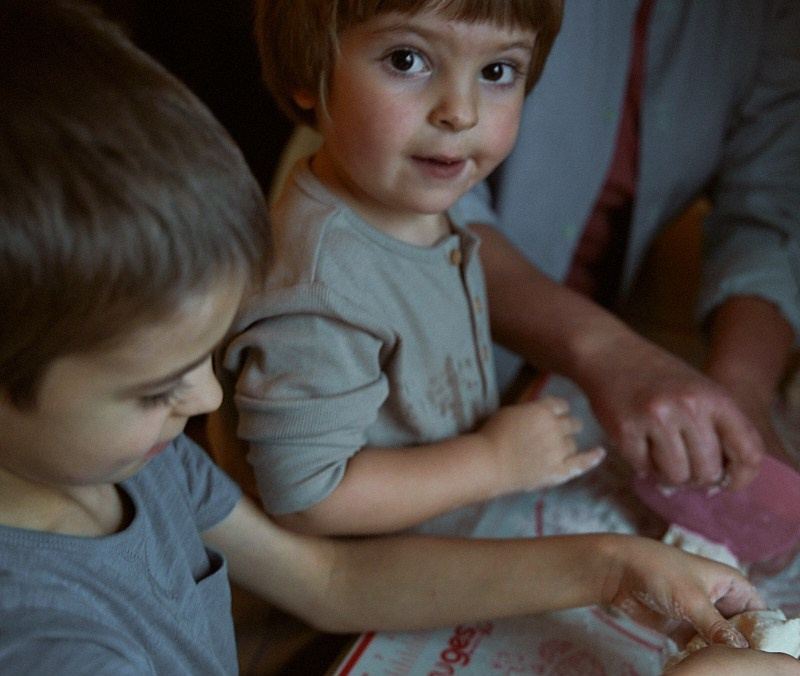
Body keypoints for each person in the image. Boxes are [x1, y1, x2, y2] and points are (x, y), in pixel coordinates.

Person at [0, 2, 800, 676]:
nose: (209, 397)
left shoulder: (137, 468)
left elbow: (327, 582)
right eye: (153, 387)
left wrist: (611, 568)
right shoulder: (43, 660)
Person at [211, 0, 606, 537]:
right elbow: (307, 497)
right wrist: (492, 461)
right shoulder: (319, 285)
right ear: (309, 74)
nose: (460, 111)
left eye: (496, 71)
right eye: (405, 60)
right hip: (354, 600)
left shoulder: (408, 208)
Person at [455, 0, 800, 491]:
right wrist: (607, 352)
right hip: (425, 336)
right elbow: (422, 201)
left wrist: (741, 385)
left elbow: (779, 192)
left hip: (581, 353)